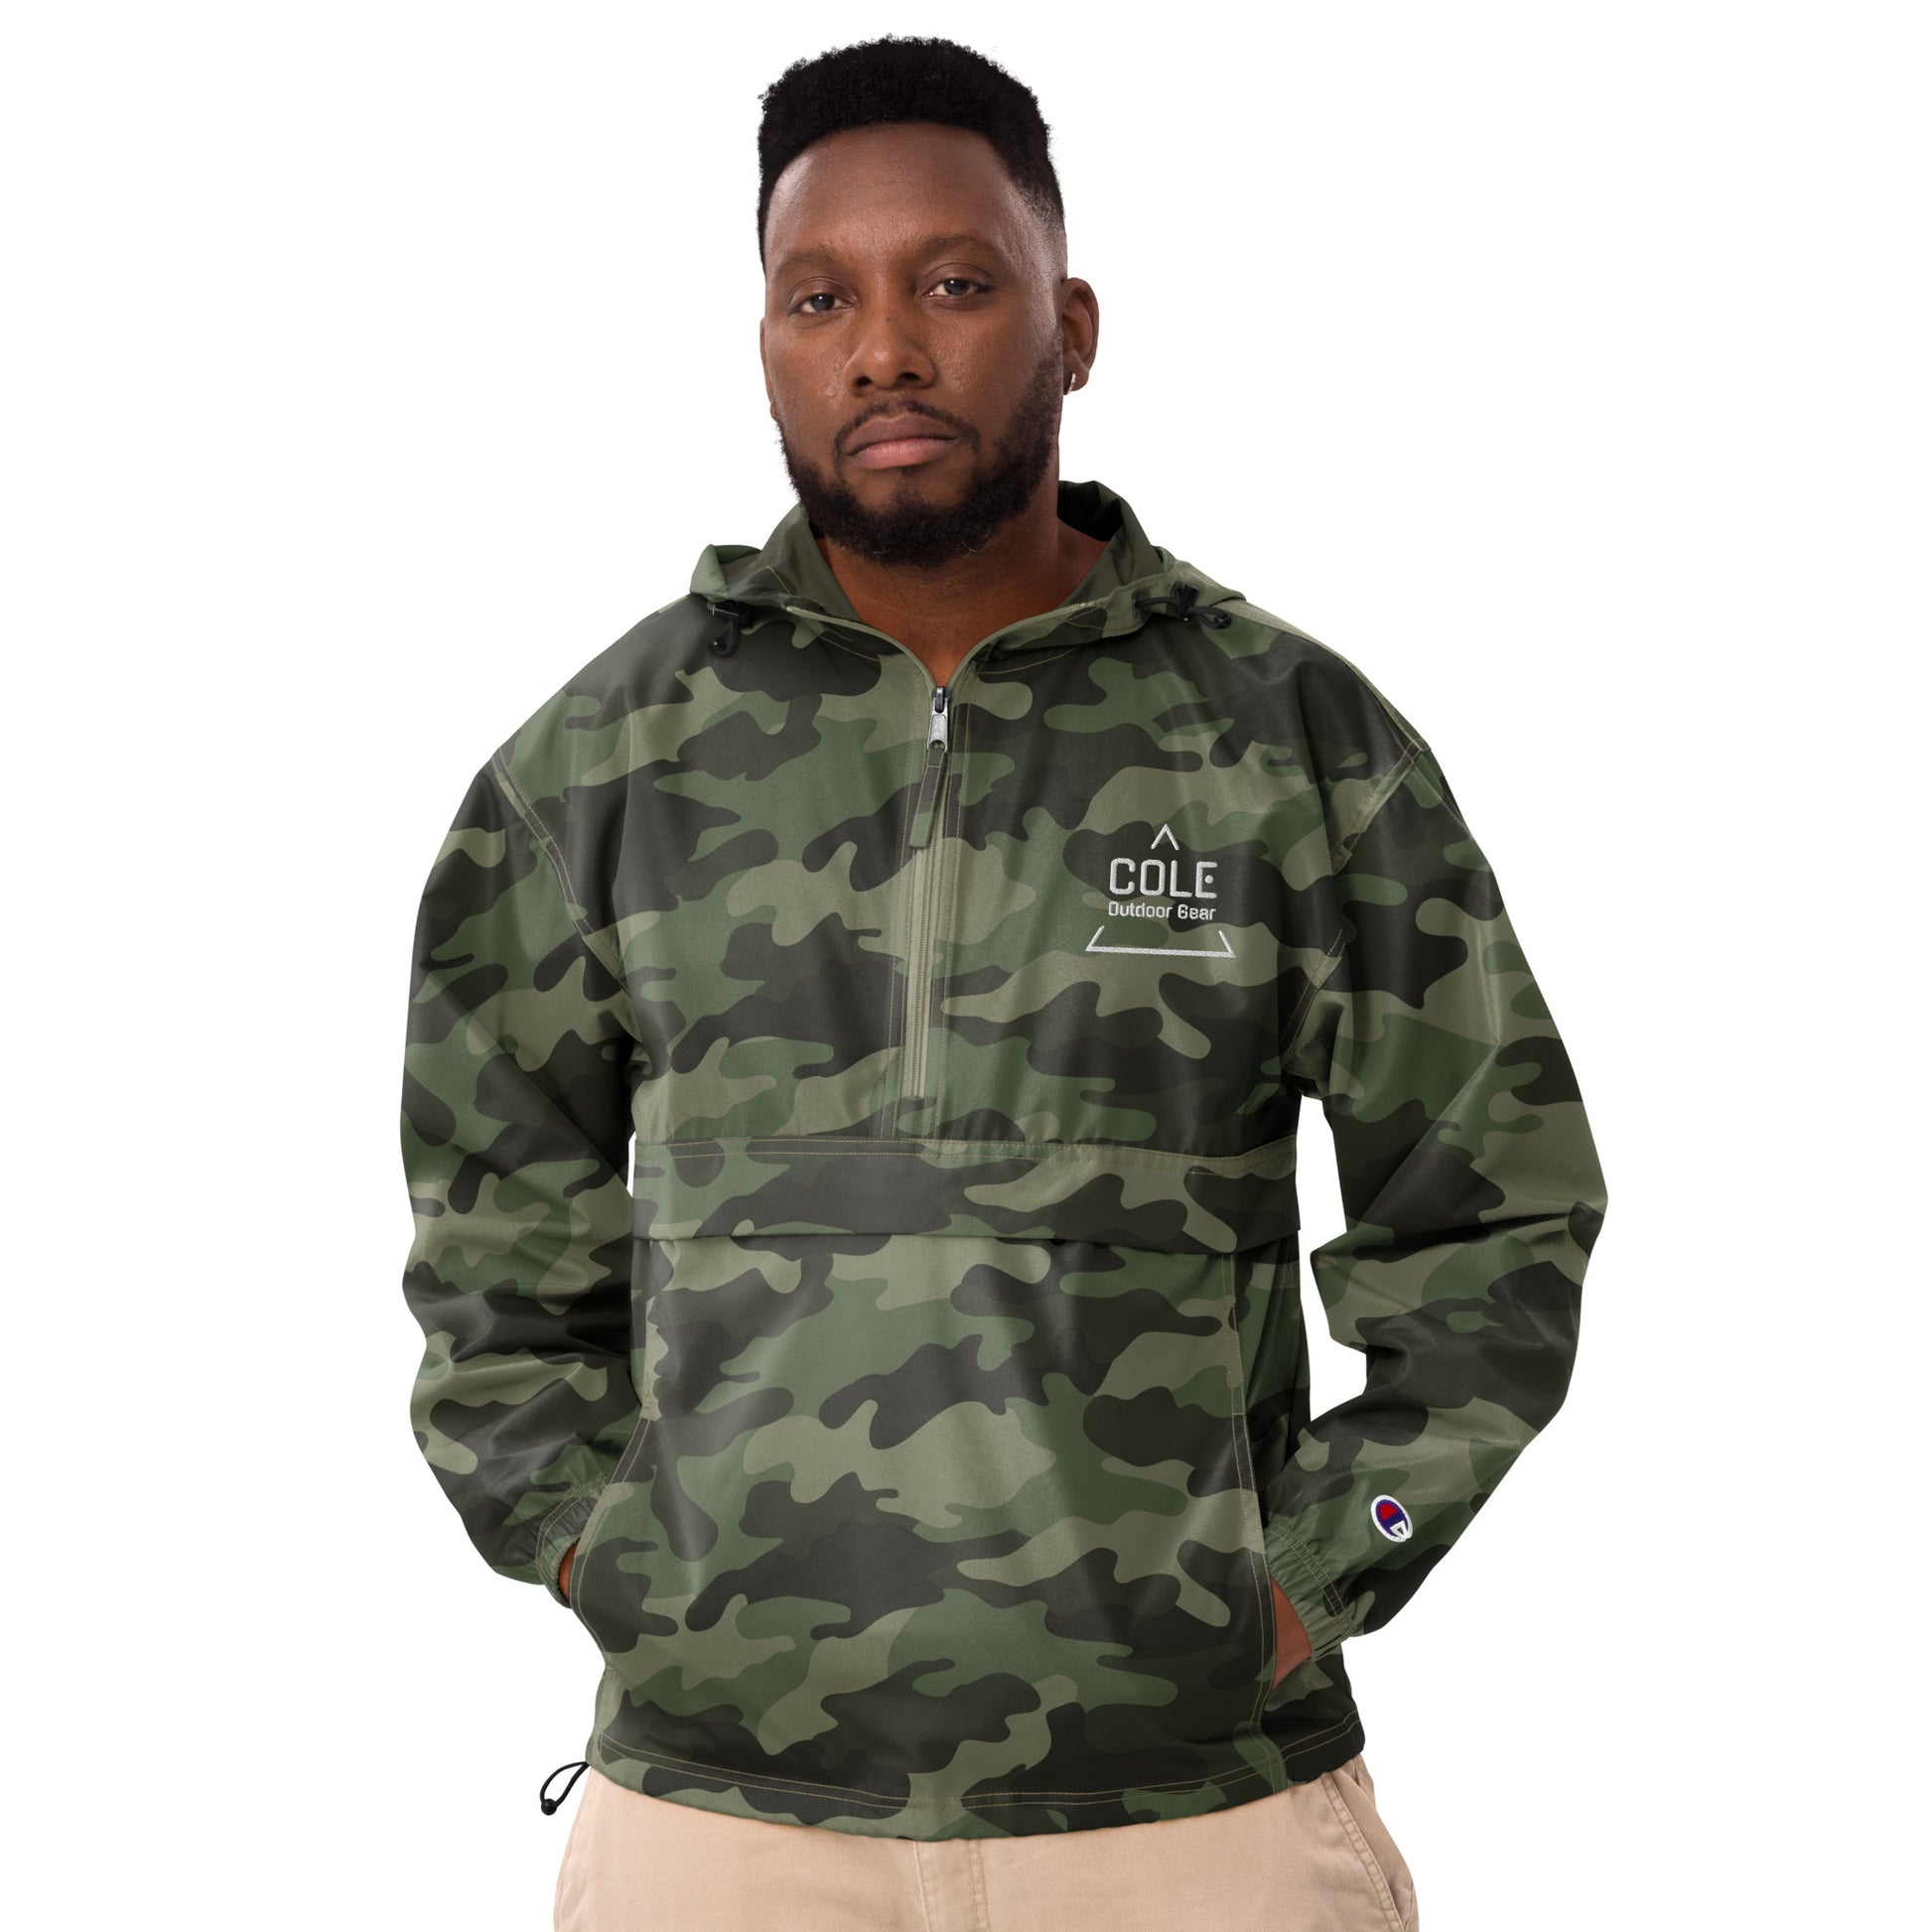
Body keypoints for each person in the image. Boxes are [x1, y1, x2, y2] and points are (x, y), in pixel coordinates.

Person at [398, 34, 1608, 1932]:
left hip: (1194, 1811)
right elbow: (492, 1240)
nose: (884, 348)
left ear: (1073, 326)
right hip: (723, 1819)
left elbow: (1495, 1210)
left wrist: (1318, 1567)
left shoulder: (1289, 737)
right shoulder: (600, 761)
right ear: (767, 345)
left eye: (954, 283)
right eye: (820, 298)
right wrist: (588, 1544)